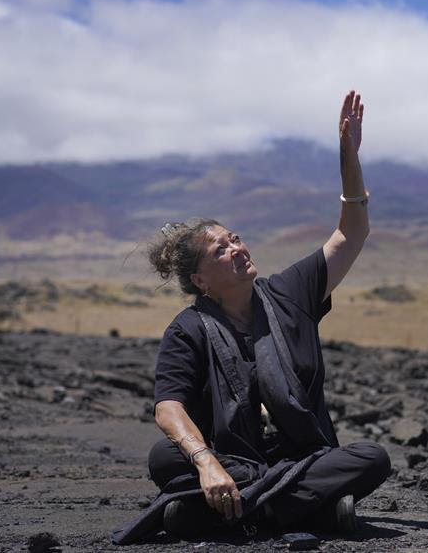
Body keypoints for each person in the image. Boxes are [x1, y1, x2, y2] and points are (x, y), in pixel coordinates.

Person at [115, 91, 389, 543]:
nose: (238, 248)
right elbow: (168, 407)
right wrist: (205, 462)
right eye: (221, 249)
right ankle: (311, 512)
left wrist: (349, 156)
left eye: (235, 238)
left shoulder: (290, 293)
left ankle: (227, 515)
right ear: (200, 280)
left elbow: (351, 231)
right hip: (229, 459)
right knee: (166, 458)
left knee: (371, 457)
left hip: (304, 454)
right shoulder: (188, 330)